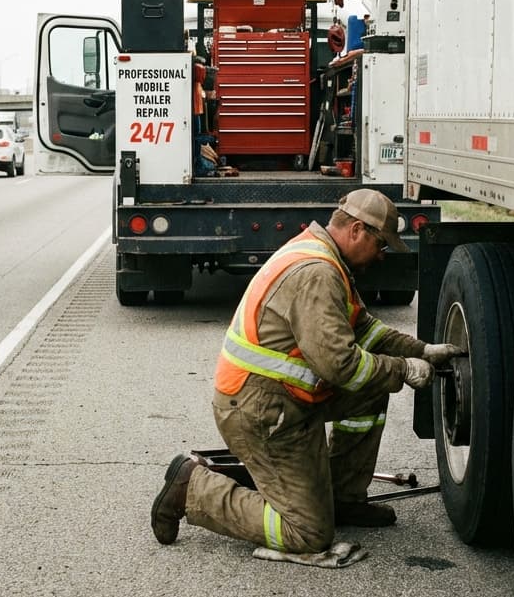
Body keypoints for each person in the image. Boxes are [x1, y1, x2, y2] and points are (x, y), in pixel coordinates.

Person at [150, 188, 462, 556]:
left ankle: (343, 497)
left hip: (280, 397)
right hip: (261, 411)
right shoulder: (318, 273)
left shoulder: (325, 257)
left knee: (372, 387)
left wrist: (421, 351)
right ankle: (194, 488)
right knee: (308, 534)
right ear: (357, 230)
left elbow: (365, 330)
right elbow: (340, 365)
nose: (382, 254)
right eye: (381, 244)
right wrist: (403, 369)